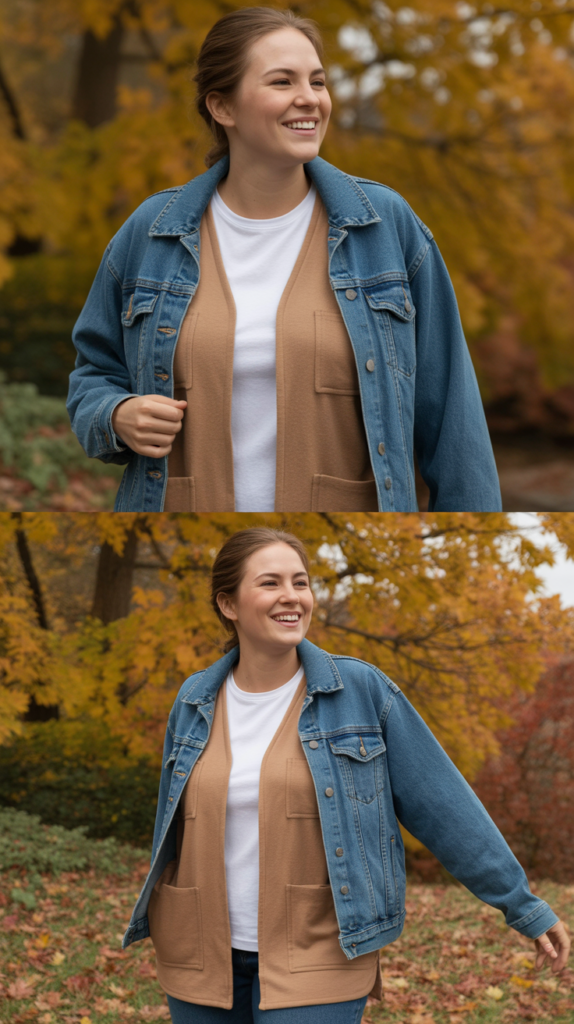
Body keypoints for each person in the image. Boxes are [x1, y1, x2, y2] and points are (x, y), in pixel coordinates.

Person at [122, 526, 569, 1024]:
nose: (291, 597)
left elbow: (442, 804)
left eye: (301, 582)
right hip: (198, 954)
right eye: (270, 583)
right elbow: (173, 826)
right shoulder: (193, 698)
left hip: (320, 951)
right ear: (228, 604)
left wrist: (521, 905)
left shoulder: (360, 690)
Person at [67, 7, 502, 514]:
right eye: (282, 81)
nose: (310, 99)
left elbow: (455, 420)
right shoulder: (150, 232)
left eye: (317, 81)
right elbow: (92, 375)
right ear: (222, 107)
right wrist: (116, 413)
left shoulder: (385, 226)